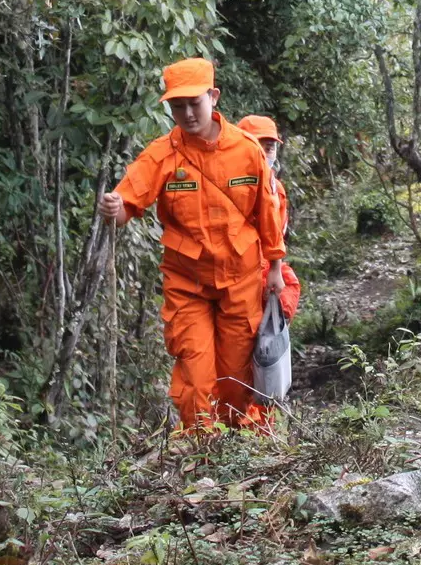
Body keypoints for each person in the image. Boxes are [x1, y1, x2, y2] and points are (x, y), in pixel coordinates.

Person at [96, 58, 286, 431]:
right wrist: (114, 209)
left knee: (237, 380)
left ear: (213, 97)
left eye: (193, 103)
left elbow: (267, 213)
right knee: (195, 380)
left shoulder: (248, 150)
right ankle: (202, 450)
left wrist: (276, 268)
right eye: (177, 105)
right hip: (188, 285)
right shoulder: (161, 154)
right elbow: (126, 205)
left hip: (241, 281)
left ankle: (235, 448)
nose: (186, 113)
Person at [235, 114, 301, 323]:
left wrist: (275, 270)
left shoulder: (276, 190)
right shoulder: (224, 186)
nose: (263, 154)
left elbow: (277, 235)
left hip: (261, 274)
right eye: (256, 147)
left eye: (269, 148)